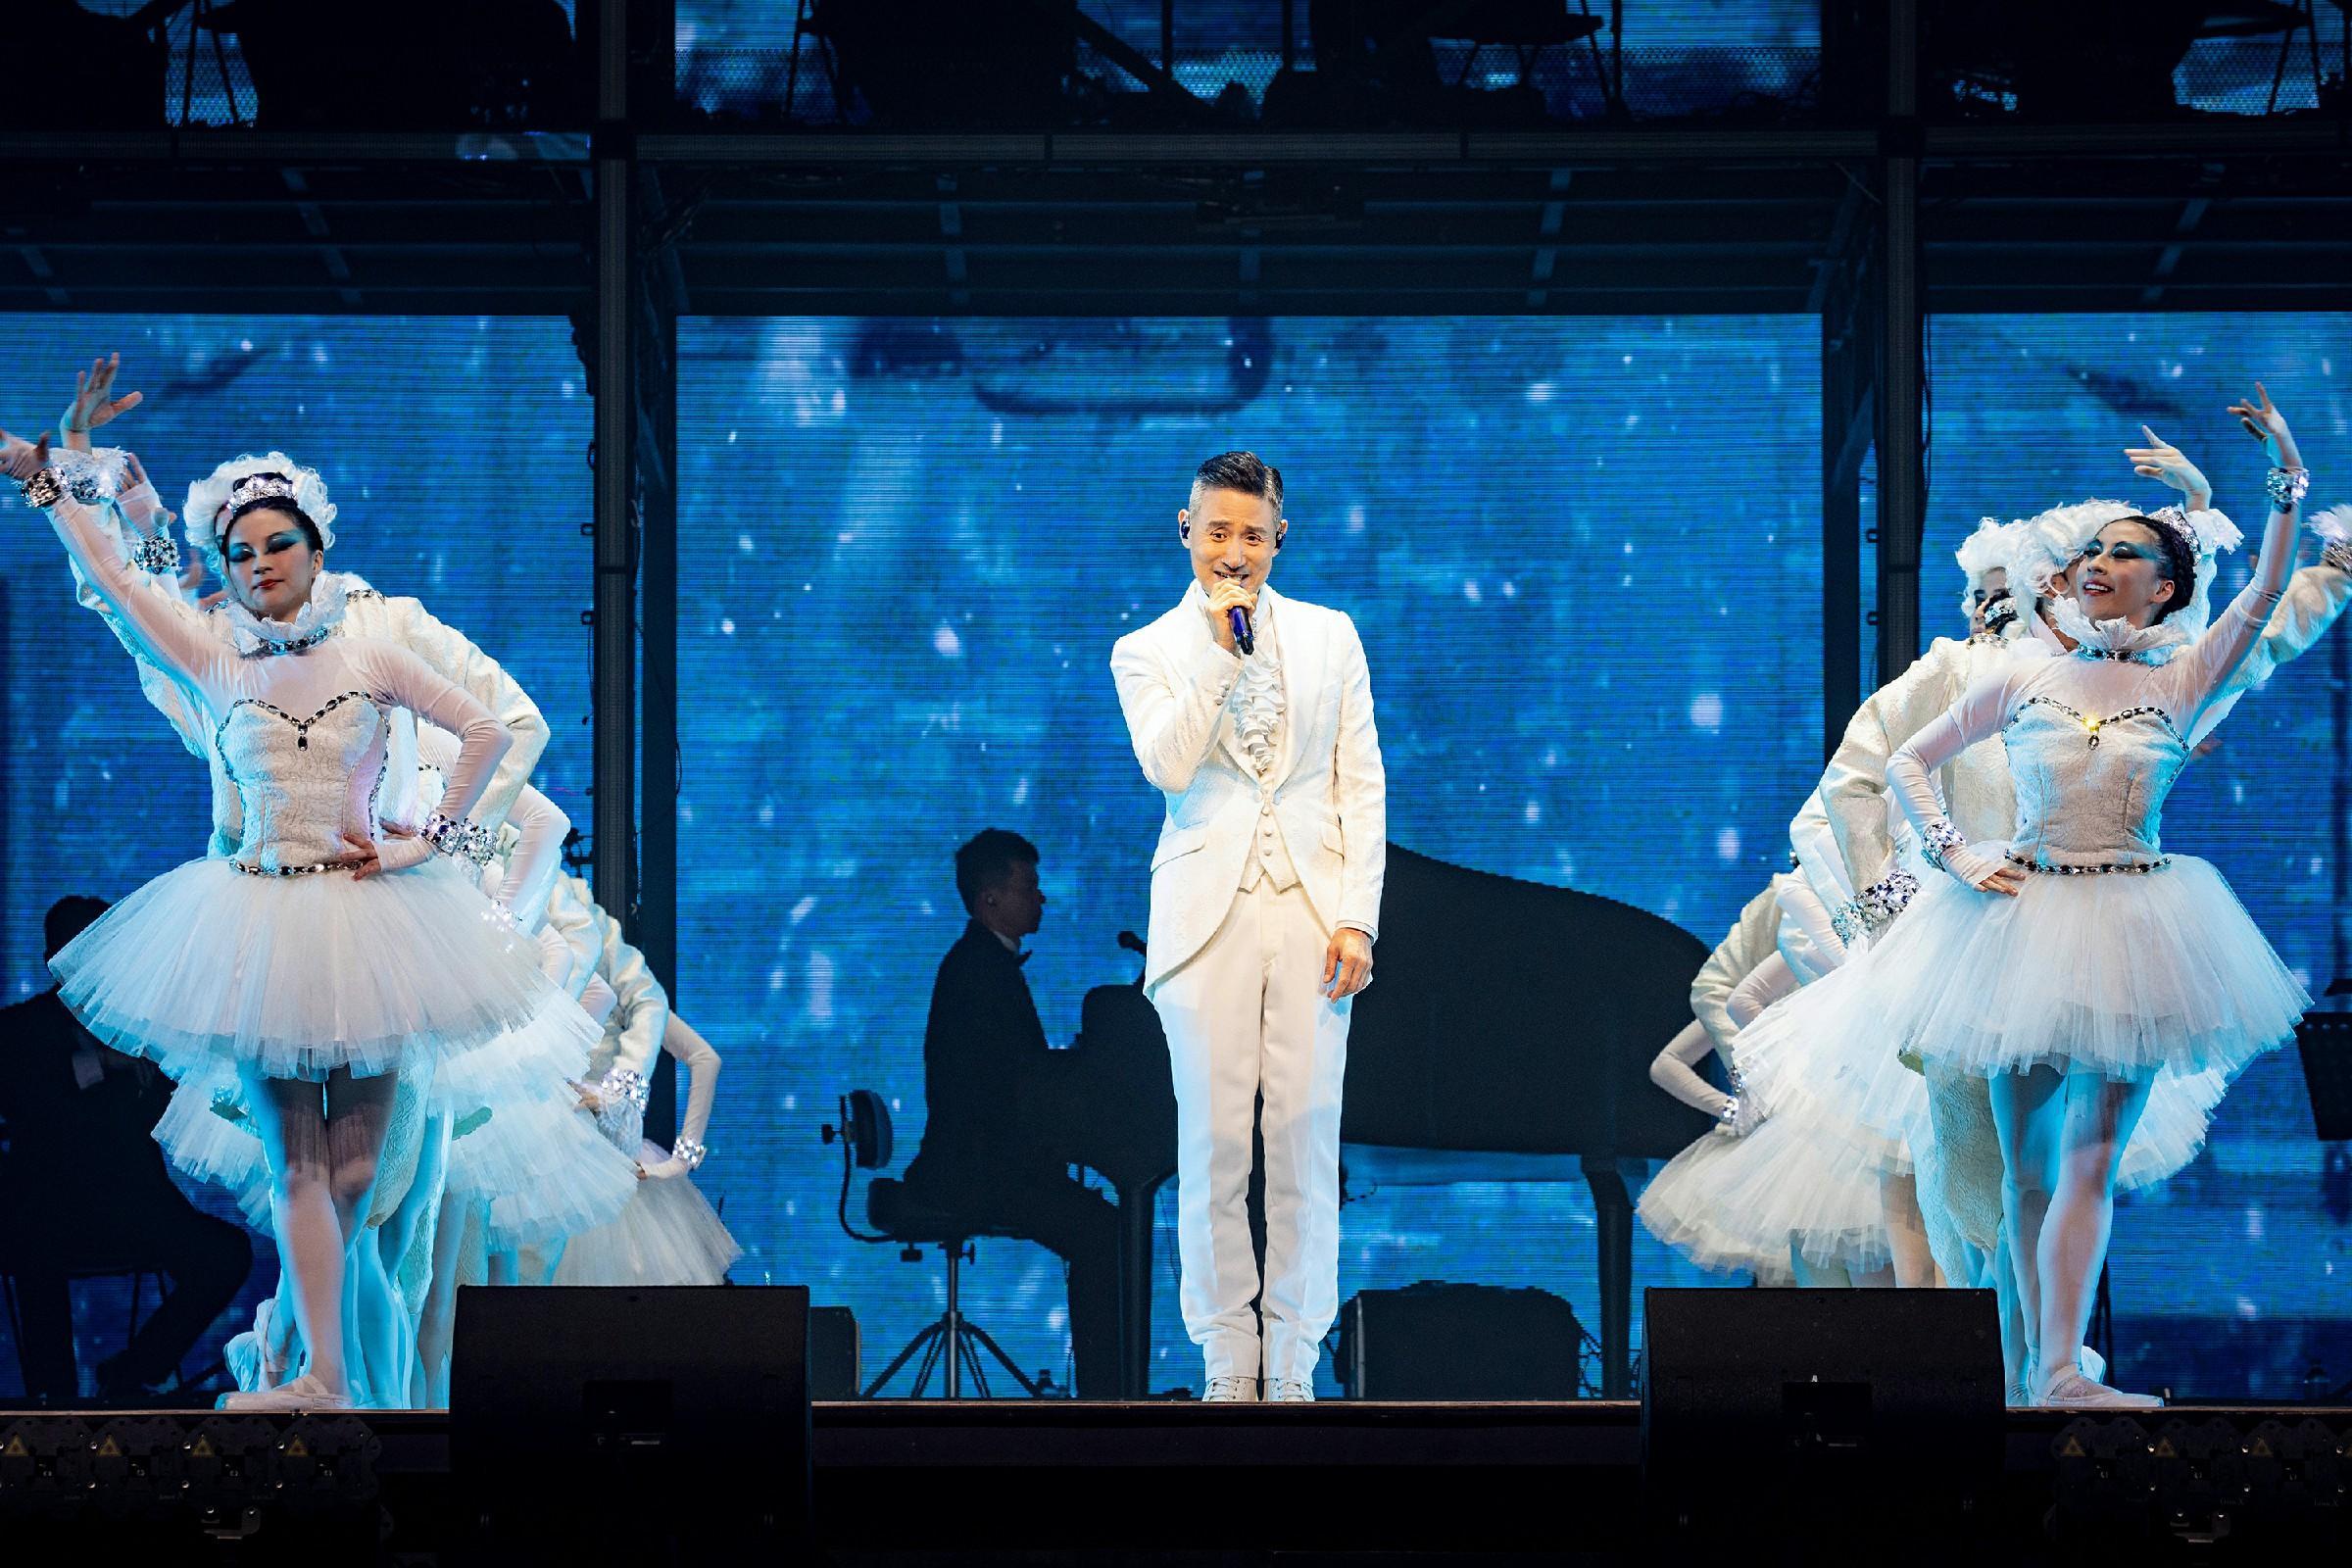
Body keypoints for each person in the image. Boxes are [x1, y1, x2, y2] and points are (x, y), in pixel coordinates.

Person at [1747, 385, 2312, 1407]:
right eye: (2091, 549)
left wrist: (2283, 475)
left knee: (2088, 1161)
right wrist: (1955, 855)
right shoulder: (2022, 679)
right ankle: (2027, 1371)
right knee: (2021, 1174)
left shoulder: (2183, 681)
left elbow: (2267, 593)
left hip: (2135, 926)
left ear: (2164, 589)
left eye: (2124, 554)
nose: (2098, 562)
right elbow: (1907, 764)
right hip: (2015, 927)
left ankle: (2059, 1370)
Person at [14, 437, 598, 1414]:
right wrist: (43, 481)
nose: (260, 565)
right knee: (298, 1162)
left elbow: (492, 730)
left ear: (317, 551)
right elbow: (119, 582)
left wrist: (427, 843)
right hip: (260, 921)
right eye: (240, 553)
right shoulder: (217, 661)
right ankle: (321, 1376)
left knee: (361, 1172)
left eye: (278, 544)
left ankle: (329, 1361)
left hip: (371, 924)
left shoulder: (375, 651)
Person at [1109, 451, 1386, 1402]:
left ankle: (1296, 1358)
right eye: (1218, 531)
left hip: (1310, 911)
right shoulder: (1146, 649)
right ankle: (1228, 1358)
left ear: (1280, 539)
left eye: (1254, 535)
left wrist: (1357, 918)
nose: (1235, 551)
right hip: (1205, 920)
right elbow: (1168, 766)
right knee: (1214, 1149)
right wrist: (1224, 656)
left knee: (1305, 1145)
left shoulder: (1330, 635)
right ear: (1186, 529)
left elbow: (1361, 784)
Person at [0, 897, 252, 1405]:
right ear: (53, 958)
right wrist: (102, 1064)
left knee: (226, 1255)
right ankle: (55, 1397)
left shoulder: (141, 1028)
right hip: (47, 1205)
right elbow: (26, 1103)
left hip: (135, 1203)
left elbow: (168, 1113)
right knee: (33, 1243)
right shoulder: (19, 1028)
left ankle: (132, 1373)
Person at [899, 828, 1120, 1399]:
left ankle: (1106, 1390)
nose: (1040, 898)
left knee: (1100, 1227)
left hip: (984, 1161)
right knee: (1101, 1233)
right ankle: (1106, 1396)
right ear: (990, 898)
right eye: (1029, 887)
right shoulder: (980, 972)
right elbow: (1009, 1085)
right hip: (977, 1170)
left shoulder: (980, 964)